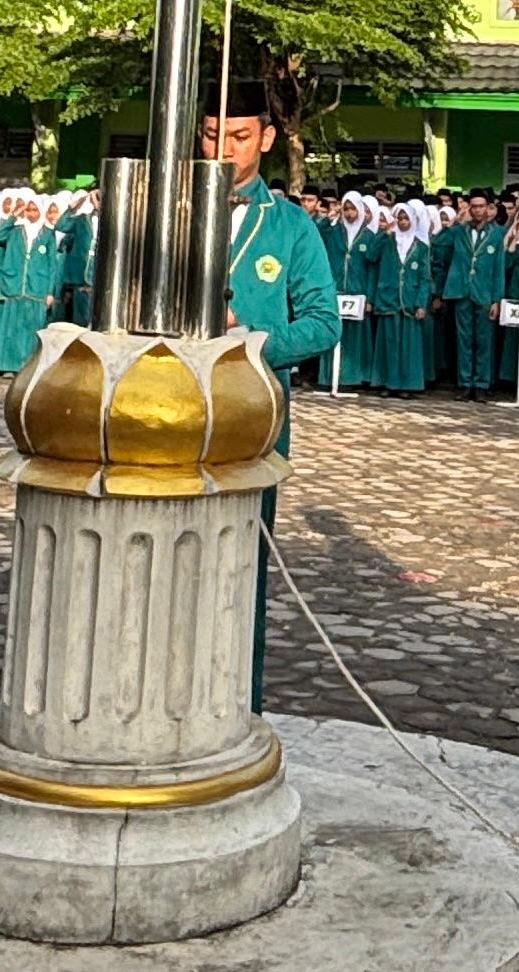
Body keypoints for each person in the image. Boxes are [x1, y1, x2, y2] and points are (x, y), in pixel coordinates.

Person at [197, 96, 340, 712]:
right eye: (210, 135)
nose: (224, 150)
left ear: (268, 139)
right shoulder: (167, 210)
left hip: (251, 415)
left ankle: (236, 707)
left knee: (238, 569)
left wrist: (250, 340)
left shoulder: (288, 225)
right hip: (159, 413)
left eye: (239, 136)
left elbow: (322, 323)